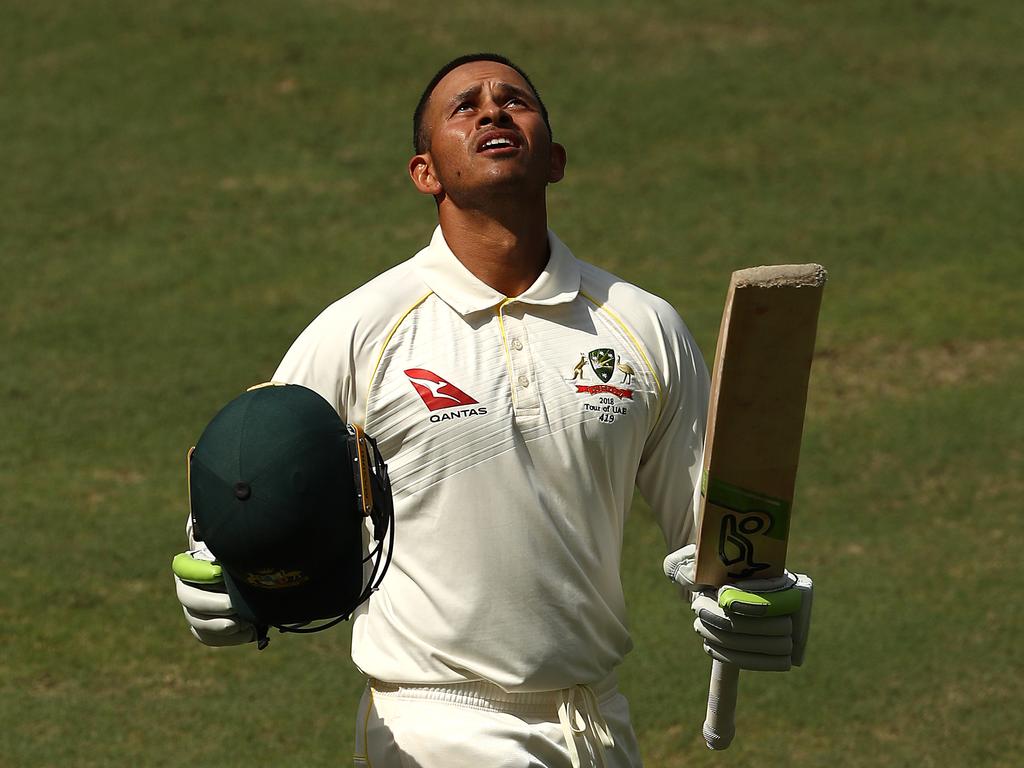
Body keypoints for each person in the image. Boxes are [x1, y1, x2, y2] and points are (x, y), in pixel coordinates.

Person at [174, 53, 812, 768]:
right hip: (434, 726)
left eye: (515, 101)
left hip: (598, 723)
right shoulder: (363, 327)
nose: (493, 111)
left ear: (556, 161)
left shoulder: (641, 325)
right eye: (464, 106)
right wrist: (221, 574)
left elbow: (718, 534)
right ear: (426, 172)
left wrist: (763, 593)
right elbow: (251, 474)